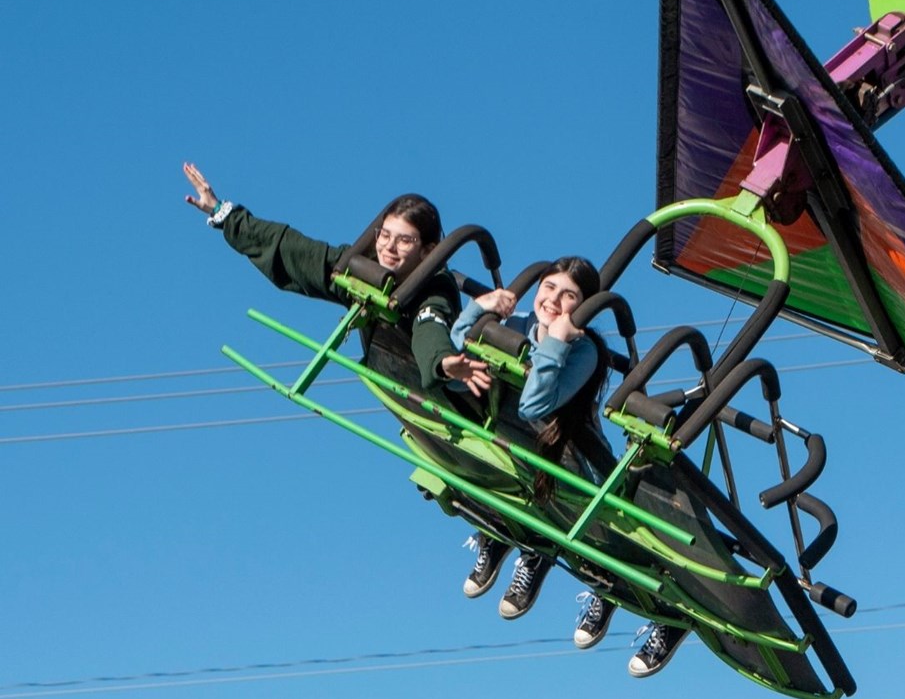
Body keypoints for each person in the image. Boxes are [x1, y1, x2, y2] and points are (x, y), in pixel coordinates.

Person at [181, 162, 491, 396]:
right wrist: (223, 213)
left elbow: (430, 323)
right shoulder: (364, 267)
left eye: (404, 240)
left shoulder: (435, 287)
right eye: (385, 235)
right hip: (396, 372)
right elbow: (296, 251)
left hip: (441, 386)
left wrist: (442, 361)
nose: (389, 247)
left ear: (427, 251)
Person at [448, 258, 623, 644]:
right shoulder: (516, 325)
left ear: (583, 308)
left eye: (569, 296)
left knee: (592, 528)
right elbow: (455, 366)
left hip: (570, 461)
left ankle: (607, 589)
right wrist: (478, 309)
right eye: (549, 288)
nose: (554, 301)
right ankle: (506, 536)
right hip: (515, 445)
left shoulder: (584, 351)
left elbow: (534, 406)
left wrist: (556, 340)